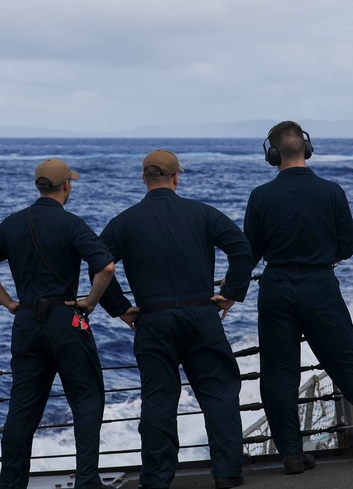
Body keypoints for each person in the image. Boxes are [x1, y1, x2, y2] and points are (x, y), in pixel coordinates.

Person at [243, 121, 353, 473]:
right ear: (305, 149)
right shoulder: (332, 191)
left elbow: (249, 252)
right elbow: (347, 246)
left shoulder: (260, 196)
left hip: (276, 287)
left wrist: (231, 291)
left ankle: (291, 453)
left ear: (271, 154)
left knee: (278, 373)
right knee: (347, 363)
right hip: (320, 285)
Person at [98, 149, 254, 489]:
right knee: (218, 393)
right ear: (175, 178)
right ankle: (227, 472)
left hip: (153, 318)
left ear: (144, 179)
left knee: (158, 399)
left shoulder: (123, 222)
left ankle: (156, 478)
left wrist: (121, 307)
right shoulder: (202, 213)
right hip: (201, 315)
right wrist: (231, 292)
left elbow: (99, 265)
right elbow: (241, 248)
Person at [0, 158, 117, 489]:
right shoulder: (71, 224)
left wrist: (8, 302)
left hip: (27, 322)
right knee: (86, 400)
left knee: (23, 407)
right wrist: (90, 302)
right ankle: (88, 481)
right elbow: (105, 267)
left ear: (39, 186)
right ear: (66, 186)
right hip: (66, 319)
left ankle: (11, 483)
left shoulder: (13, 223)